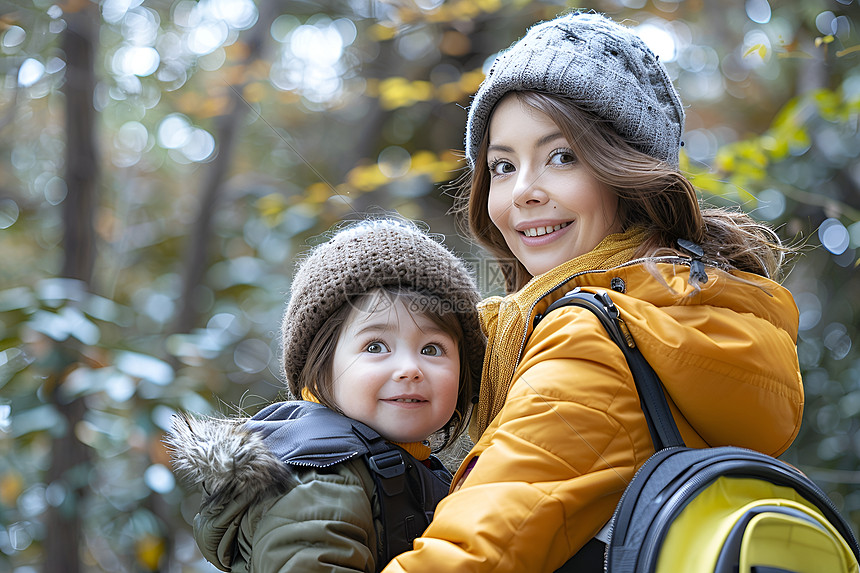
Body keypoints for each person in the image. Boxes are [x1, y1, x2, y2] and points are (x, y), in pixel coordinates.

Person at [381, 11, 804, 573]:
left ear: (626, 171)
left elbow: (469, 557)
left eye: (562, 156)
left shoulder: (593, 341)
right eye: (502, 165)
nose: (524, 191)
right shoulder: (681, 312)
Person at [167, 218, 485, 573]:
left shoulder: (402, 463)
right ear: (320, 366)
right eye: (376, 345)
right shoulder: (323, 480)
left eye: (432, 349)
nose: (410, 369)